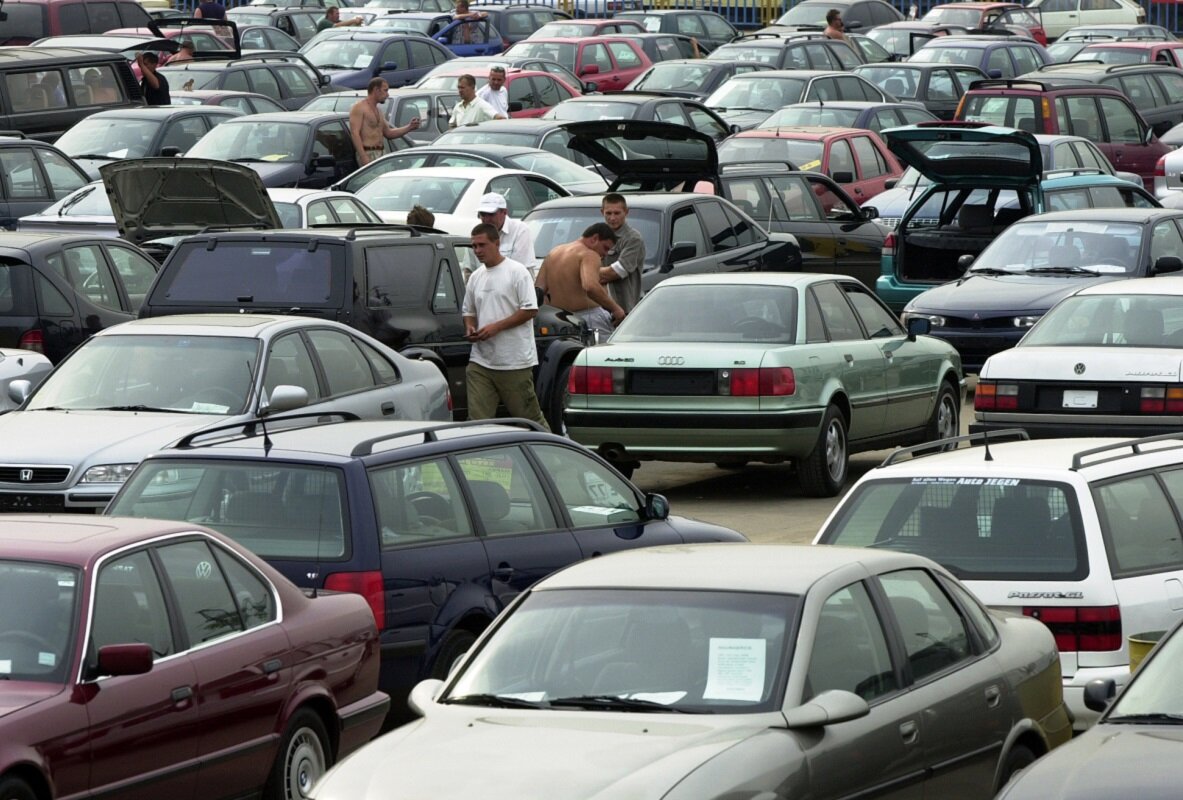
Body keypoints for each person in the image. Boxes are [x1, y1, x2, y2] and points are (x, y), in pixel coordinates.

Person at [462, 223, 550, 429]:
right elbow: (469, 311)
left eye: (482, 245)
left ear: (497, 243)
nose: (477, 251)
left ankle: (553, 457)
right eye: (474, 246)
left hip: (513, 361)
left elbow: (530, 310)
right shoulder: (476, 277)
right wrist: (470, 328)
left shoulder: (517, 272)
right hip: (481, 361)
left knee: (529, 419)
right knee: (478, 423)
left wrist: (496, 327)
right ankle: (478, 458)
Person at [535, 222, 625, 335]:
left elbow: (539, 289)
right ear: (595, 239)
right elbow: (590, 286)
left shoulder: (554, 252)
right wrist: (616, 309)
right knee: (604, 351)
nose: (605, 254)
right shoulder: (589, 254)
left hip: (559, 319)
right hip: (589, 318)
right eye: (605, 248)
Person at [349, 77, 421, 166]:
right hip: (368, 152)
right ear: (376, 90)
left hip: (381, 153)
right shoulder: (359, 107)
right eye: (385, 90)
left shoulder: (378, 110)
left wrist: (410, 127)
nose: (387, 95)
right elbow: (354, 133)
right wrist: (363, 156)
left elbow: (389, 133)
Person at [597, 193, 645, 314]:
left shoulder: (633, 239)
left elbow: (617, 271)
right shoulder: (596, 237)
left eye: (617, 213)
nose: (612, 218)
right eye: (608, 213)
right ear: (602, 212)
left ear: (626, 212)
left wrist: (588, 274)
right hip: (600, 310)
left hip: (626, 310)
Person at [476, 192, 536, 275]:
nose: (486, 219)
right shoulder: (477, 234)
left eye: (491, 214)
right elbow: (468, 269)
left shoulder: (520, 230)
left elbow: (520, 272)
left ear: (504, 212)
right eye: (482, 214)